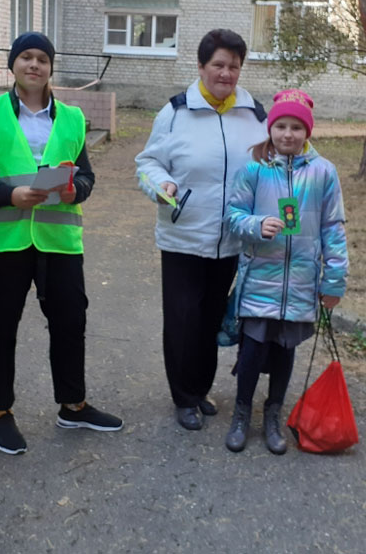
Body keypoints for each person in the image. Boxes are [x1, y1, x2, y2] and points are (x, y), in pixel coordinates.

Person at [0, 31, 122, 455]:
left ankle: (73, 404)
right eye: (26, 57)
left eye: (42, 59)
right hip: (3, 240)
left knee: (71, 321)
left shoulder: (71, 118)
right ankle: (1, 413)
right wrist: (7, 195)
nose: (34, 65)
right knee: (2, 326)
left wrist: (75, 191)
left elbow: (86, 174)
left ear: (51, 68)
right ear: (12, 65)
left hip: (58, 240)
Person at [134, 29, 268, 430]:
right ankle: (183, 397)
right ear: (201, 67)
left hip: (230, 239)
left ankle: (200, 389)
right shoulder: (175, 113)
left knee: (210, 319)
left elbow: (272, 161)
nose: (226, 74)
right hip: (184, 236)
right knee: (182, 319)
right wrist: (161, 186)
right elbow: (148, 163)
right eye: (218, 65)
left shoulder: (254, 114)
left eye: (234, 66)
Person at [223, 89, 348, 454]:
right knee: (252, 350)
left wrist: (334, 280)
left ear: (307, 131)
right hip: (260, 278)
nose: (288, 134)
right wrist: (256, 224)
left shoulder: (324, 173)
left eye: (296, 127)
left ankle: (273, 413)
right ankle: (242, 413)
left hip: (301, 283)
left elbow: (333, 228)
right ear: (270, 128)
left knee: (285, 351)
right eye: (281, 126)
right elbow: (233, 216)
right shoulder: (254, 170)